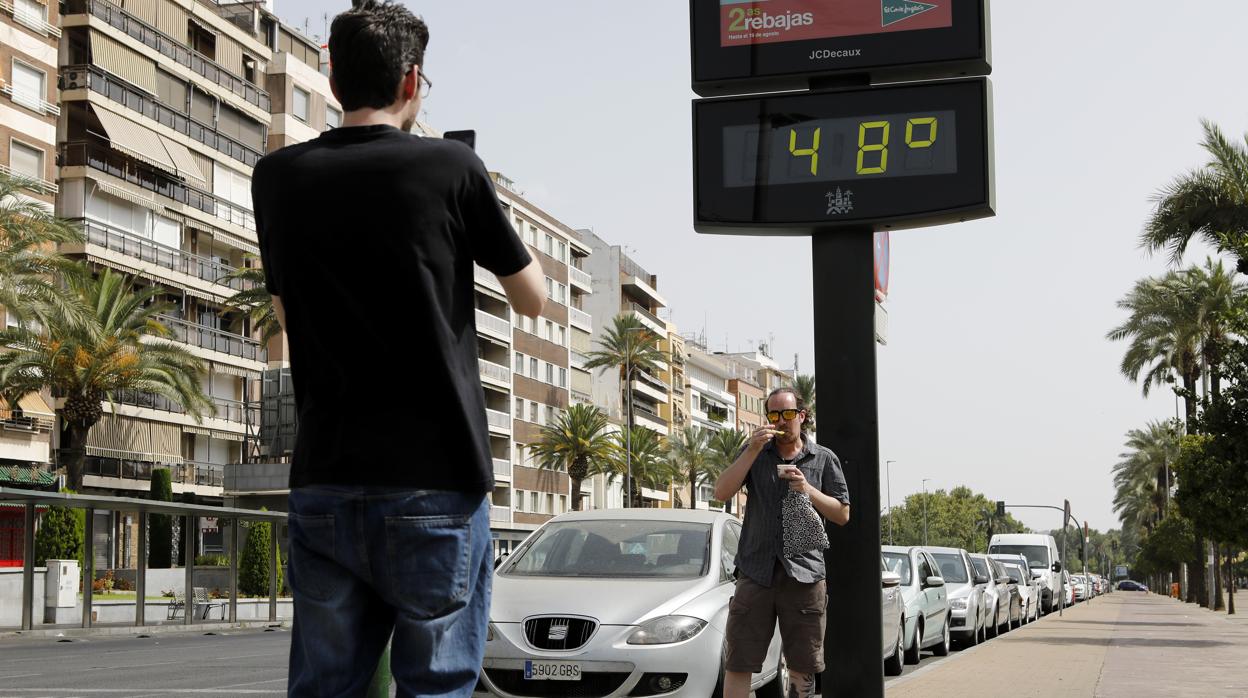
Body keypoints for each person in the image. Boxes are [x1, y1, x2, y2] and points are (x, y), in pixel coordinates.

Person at [251, 2, 546, 695]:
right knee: (435, 684)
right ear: (412, 81)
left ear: (332, 80)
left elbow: (284, 309)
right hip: (434, 478)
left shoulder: (278, 177)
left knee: (325, 685)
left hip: (323, 477)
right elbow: (532, 297)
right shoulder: (451, 167)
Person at [712, 387, 850, 698]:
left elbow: (842, 514)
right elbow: (721, 492)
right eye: (774, 415)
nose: (781, 421)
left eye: (788, 414)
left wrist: (808, 491)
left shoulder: (823, 459)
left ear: (801, 416)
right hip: (755, 572)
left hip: (804, 575)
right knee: (739, 661)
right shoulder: (755, 453)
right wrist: (750, 450)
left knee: (802, 665)